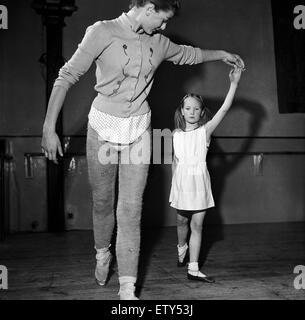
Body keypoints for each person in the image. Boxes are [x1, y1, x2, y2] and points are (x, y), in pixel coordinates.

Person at [41, 0, 245, 300]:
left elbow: (189, 55)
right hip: (103, 127)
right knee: (102, 201)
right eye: (162, 21)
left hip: (138, 128)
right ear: (148, 7)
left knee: (131, 210)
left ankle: (127, 288)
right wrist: (49, 129)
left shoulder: (159, 43)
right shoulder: (101, 32)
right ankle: (102, 252)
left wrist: (222, 54)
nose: (164, 28)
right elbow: (66, 76)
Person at [169, 66, 242, 283]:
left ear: (201, 112)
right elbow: (174, 161)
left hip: (199, 181)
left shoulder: (205, 131)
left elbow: (225, 109)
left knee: (197, 225)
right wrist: (175, 183)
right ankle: (181, 246)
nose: (191, 112)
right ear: (182, 111)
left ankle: (193, 268)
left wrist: (234, 84)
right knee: (181, 222)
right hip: (182, 182)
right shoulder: (174, 134)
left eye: (196, 109)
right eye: (188, 108)